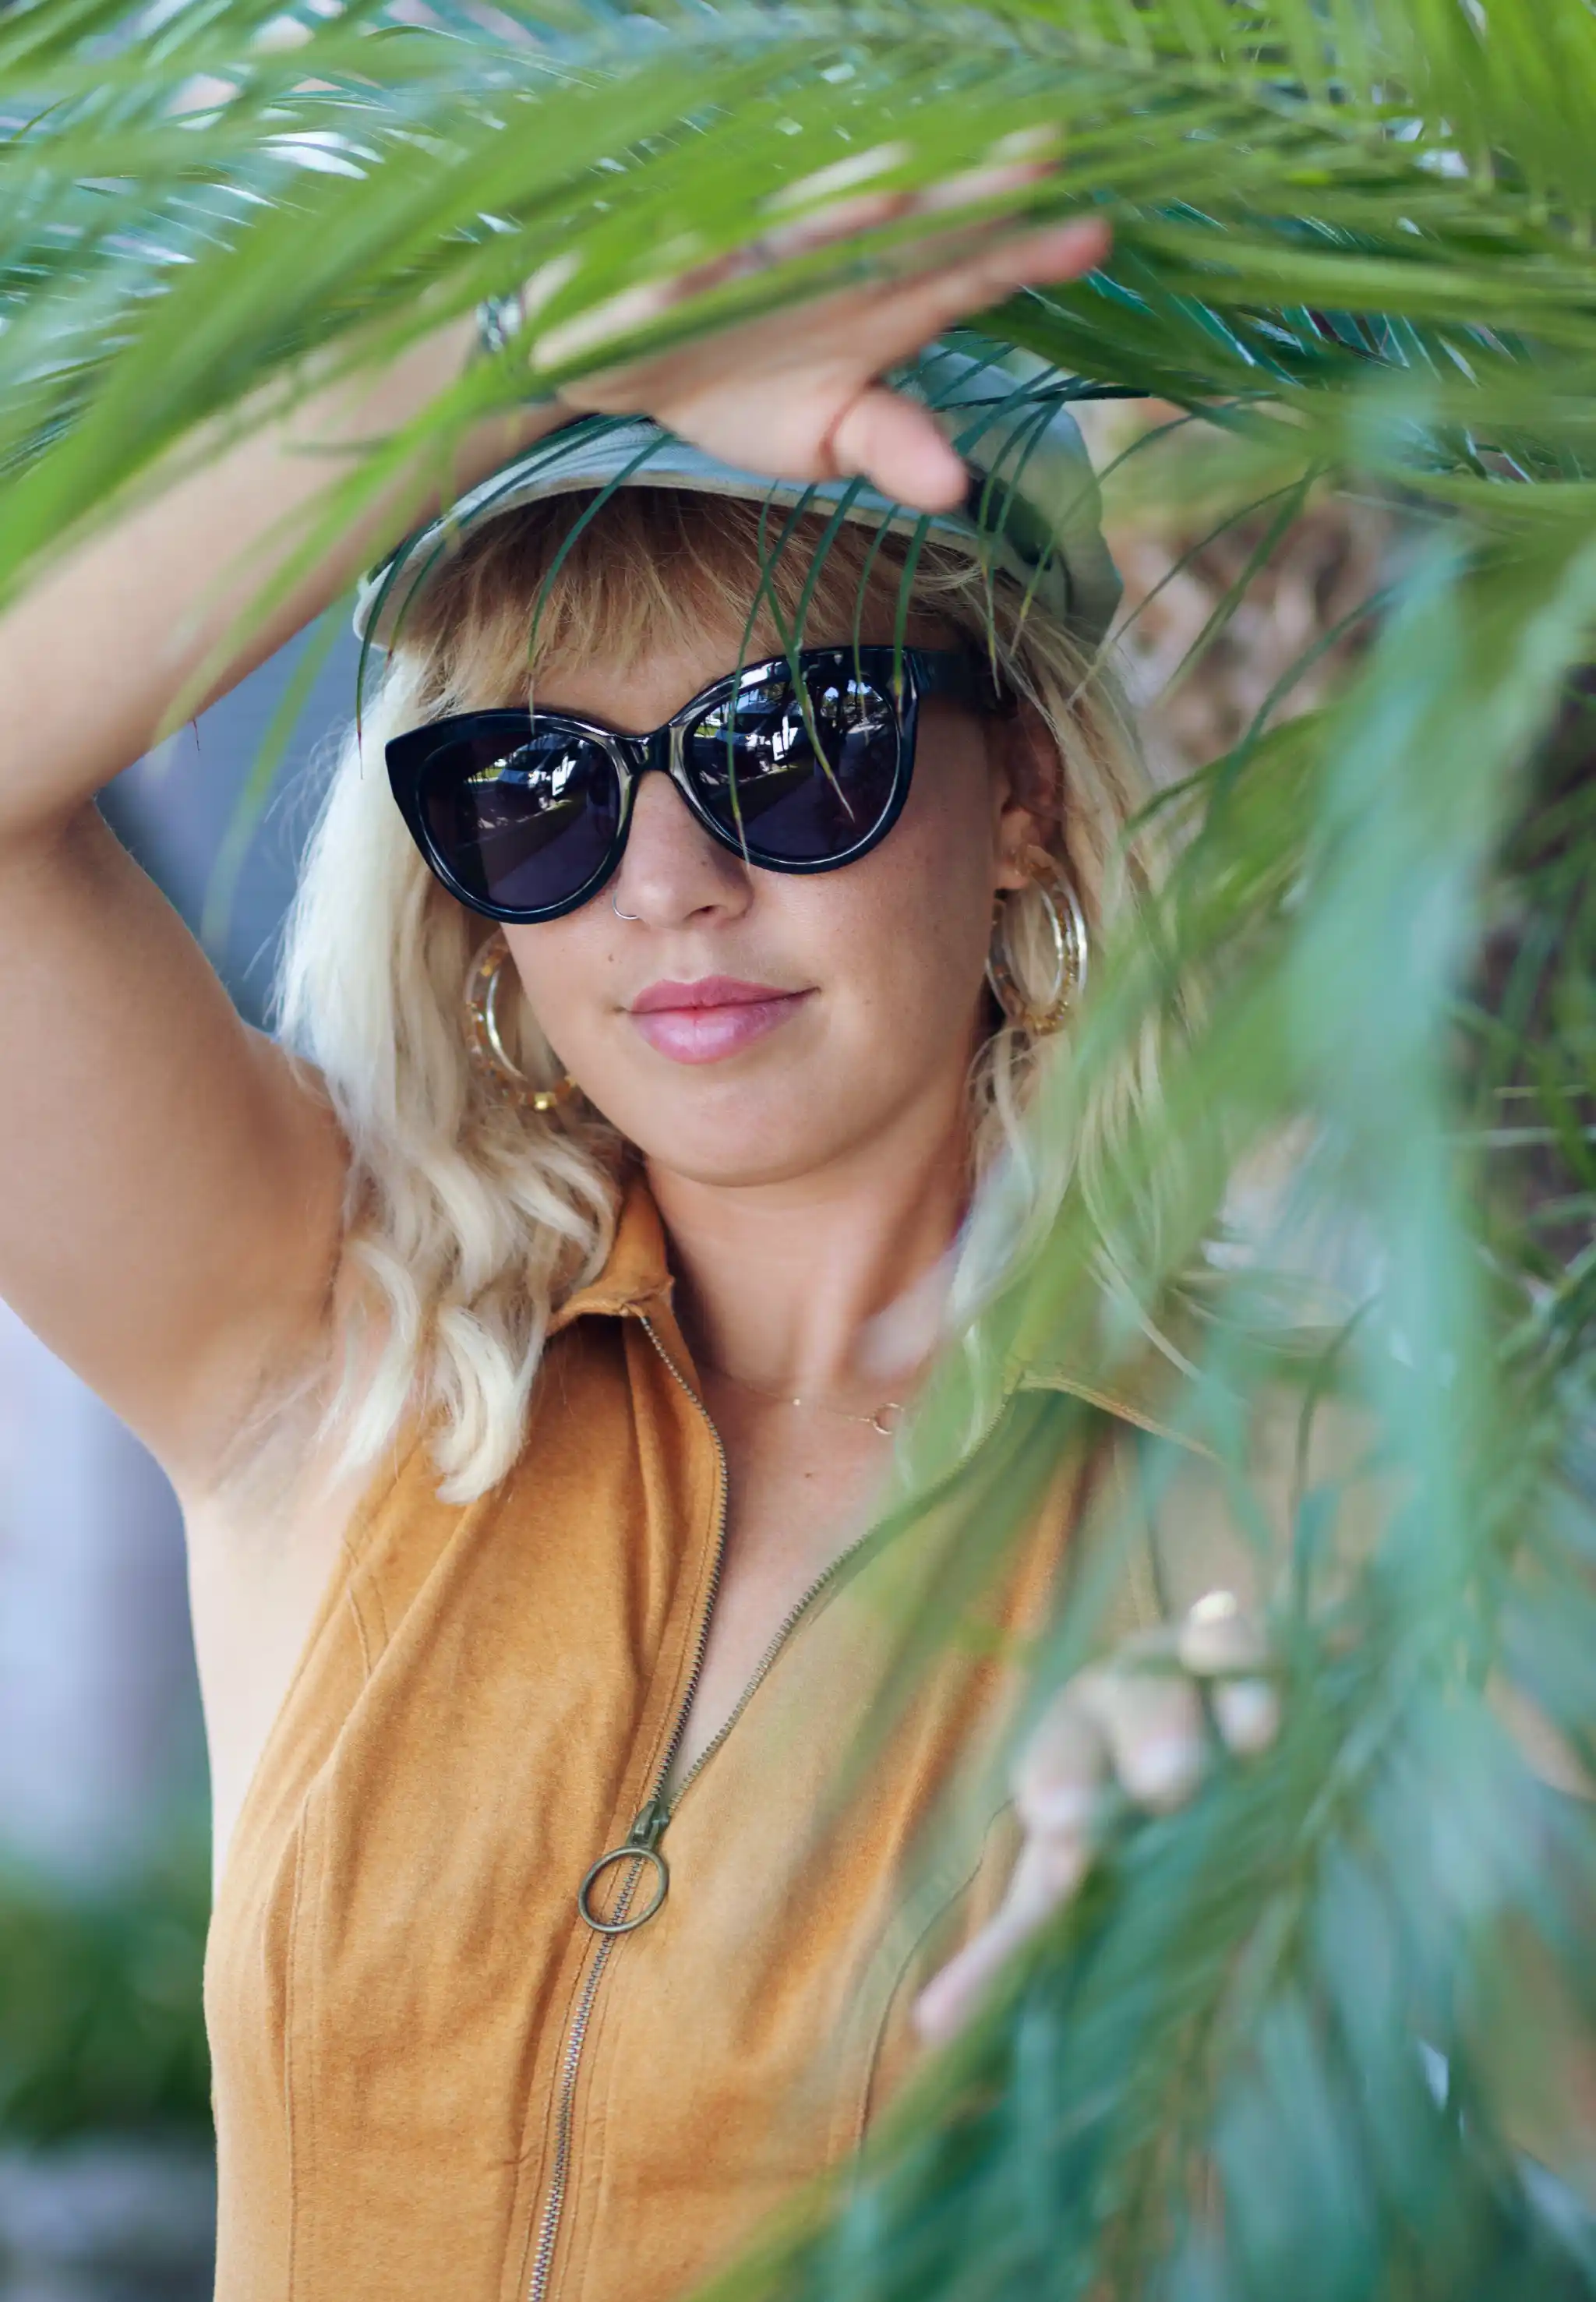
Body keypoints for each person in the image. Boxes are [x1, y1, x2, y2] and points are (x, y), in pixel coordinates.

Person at [0, 182, 1281, 2302]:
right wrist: (530, 343)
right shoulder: (322, 1342)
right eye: (538, 790)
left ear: (1026, 788)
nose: (666, 881)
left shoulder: (1283, 1478)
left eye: (792, 757)